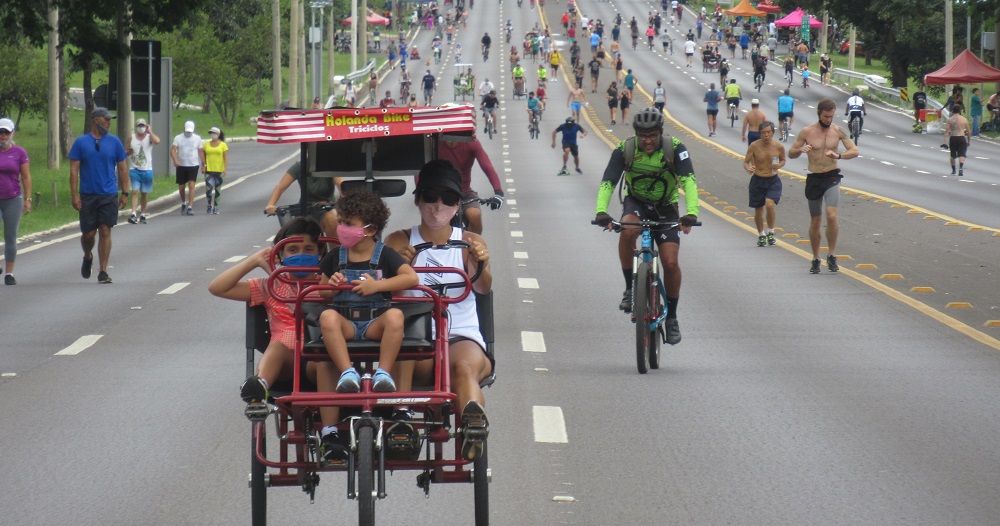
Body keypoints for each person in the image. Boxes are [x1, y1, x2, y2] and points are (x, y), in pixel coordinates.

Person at [385, 160, 493, 461]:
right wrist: (397, 263)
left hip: (461, 338)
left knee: (464, 368)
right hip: (415, 340)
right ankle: (402, 417)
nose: (437, 205)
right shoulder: (399, 241)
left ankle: (473, 422)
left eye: (447, 198)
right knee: (408, 347)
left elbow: (484, 288)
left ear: (457, 205)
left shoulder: (471, 242)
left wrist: (477, 262)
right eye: (430, 196)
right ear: (418, 200)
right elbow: (384, 295)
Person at [208, 217, 332, 437]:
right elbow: (217, 288)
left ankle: (329, 430)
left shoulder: (328, 285)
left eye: (308, 248)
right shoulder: (269, 286)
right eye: (292, 249)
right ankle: (258, 389)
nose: (300, 254)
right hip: (285, 364)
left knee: (322, 357)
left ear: (320, 253)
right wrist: (254, 260)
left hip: (319, 361)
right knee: (276, 347)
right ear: (280, 254)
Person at [593, 108, 698, 344]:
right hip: (636, 203)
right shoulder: (625, 149)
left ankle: (671, 317)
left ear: (660, 132)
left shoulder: (676, 148)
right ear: (636, 134)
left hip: (666, 208)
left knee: (670, 262)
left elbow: (689, 181)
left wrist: (691, 213)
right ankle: (630, 288)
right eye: (643, 136)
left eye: (652, 136)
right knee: (628, 230)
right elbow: (608, 181)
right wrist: (601, 211)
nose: (647, 141)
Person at [317, 189, 418, 395]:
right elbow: (323, 293)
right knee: (327, 317)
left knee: (395, 316)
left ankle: (383, 373)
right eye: (341, 222)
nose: (342, 229)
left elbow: (411, 277)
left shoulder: (385, 254)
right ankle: (347, 373)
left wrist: (377, 286)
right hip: (346, 323)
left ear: (370, 230)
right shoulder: (336, 256)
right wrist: (333, 287)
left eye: (348, 224)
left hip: (375, 322)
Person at [788, 98, 858, 274]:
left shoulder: (838, 131)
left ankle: (832, 255)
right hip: (814, 178)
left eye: (831, 116)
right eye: (826, 116)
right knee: (816, 220)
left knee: (832, 215)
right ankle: (815, 257)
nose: (829, 120)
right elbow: (791, 153)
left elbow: (854, 150)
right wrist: (800, 150)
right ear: (819, 113)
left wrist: (839, 156)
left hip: (832, 176)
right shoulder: (807, 132)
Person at [69, 107, 128, 284]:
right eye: (106, 119)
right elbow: (73, 170)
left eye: (110, 120)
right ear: (96, 120)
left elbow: (123, 168)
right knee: (88, 235)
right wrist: (74, 195)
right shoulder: (81, 142)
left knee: (105, 229)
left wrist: (125, 192)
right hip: (88, 194)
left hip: (108, 194)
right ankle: (88, 256)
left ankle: (103, 270)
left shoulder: (114, 142)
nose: (109, 123)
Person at [437, 135, 505, 235]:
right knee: (436, 220)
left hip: (465, 192)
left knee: (474, 215)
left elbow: (487, 167)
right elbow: (421, 169)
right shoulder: (435, 143)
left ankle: (473, 245)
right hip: (441, 193)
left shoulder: (471, 142)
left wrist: (498, 192)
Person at [264, 161, 344, 235]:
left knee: (332, 220)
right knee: (293, 232)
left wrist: (344, 200)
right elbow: (281, 187)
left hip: (326, 208)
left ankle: (334, 249)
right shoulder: (300, 166)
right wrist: (271, 204)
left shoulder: (331, 166)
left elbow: (341, 185)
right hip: (305, 209)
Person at [743, 121, 785, 247]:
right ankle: (761, 234)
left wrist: (779, 165)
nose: (766, 135)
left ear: (773, 133)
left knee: (770, 204)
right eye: (763, 133)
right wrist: (748, 168)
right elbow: (746, 161)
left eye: (769, 132)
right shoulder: (754, 146)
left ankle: (770, 232)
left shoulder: (778, 146)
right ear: (760, 134)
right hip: (757, 180)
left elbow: (783, 159)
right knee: (758, 210)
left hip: (773, 180)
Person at [0, 117, 31, 285]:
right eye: (0, 132)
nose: (3, 136)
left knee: (10, 236)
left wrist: (28, 199)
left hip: (13, 198)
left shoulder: (19, 153)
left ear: (12, 133)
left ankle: (9, 273)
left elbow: (26, 176)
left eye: (6, 132)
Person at [125, 118, 160, 225]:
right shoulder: (132, 137)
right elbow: (125, 150)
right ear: (136, 127)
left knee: (144, 193)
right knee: (135, 191)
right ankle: (134, 213)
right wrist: (129, 152)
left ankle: (143, 214)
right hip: (134, 169)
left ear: (146, 126)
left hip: (147, 170)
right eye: (139, 126)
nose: (141, 128)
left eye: (143, 126)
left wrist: (150, 131)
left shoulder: (149, 137)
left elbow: (157, 141)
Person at [171, 120, 203, 216]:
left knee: (191, 185)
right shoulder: (178, 138)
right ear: (184, 129)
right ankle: (183, 202)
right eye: (187, 131)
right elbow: (173, 150)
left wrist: (204, 164)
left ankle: (190, 206)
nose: (188, 133)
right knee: (181, 186)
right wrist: (175, 160)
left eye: (190, 132)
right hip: (181, 165)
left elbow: (200, 151)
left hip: (193, 165)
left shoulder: (197, 138)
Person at [199, 126, 228, 215]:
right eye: (211, 133)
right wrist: (203, 165)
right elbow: (202, 152)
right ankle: (209, 204)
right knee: (209, 188)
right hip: (209, 170)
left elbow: (225, 158)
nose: (212, 135)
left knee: (218, 189)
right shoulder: (207, 144)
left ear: (218, 134)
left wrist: (225, 169)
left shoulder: (223, 145)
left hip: (219, 170)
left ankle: (216, 206)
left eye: (214, 133)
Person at [942, 104, 971, 176]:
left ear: (952, 111)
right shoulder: (964, 119)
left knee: (953, 155)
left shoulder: (950, 120)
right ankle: (961, 167)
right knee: (962, 154)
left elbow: (946, 132)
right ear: (960, 111)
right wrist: (969, 141)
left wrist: (945, 142)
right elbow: (969, 132)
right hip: (961, 137)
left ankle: (954, 170)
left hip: (953, 137)